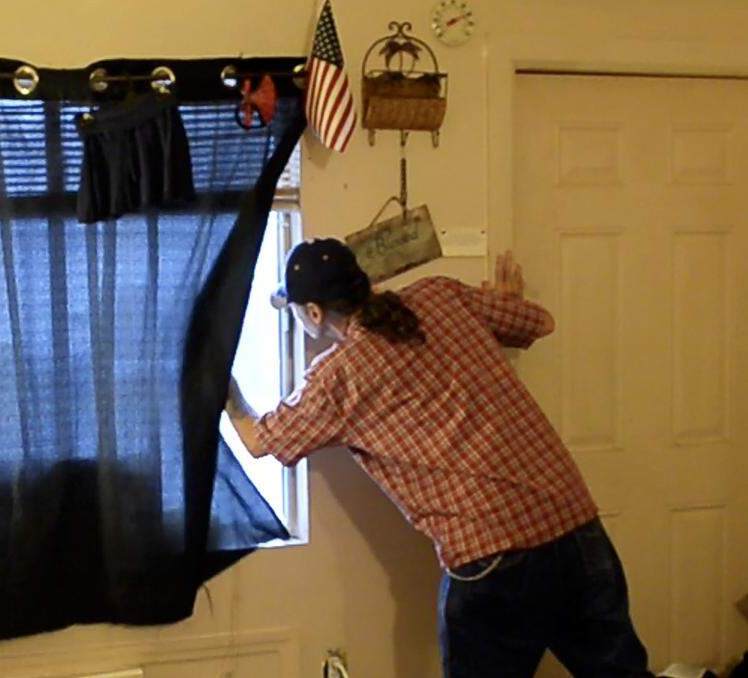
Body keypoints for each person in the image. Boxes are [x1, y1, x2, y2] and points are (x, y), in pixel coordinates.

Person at [224, 238, 651, 678]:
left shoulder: (340, 376)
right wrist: (504, 303)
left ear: (313, 314)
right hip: (573, 526)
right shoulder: (440, 295)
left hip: (493, 556)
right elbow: (534, 323)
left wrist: (223, 386)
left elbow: (260, 441)